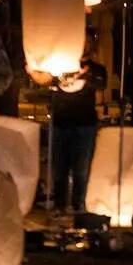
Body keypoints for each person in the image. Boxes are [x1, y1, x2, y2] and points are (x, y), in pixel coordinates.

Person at [49, 61, 106, 212]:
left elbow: (100, 91)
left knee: (81, 168)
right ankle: (59, 205)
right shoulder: (61, 63)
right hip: (61, 122)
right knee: (60, 167)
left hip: (84, 124)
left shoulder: (96, 69)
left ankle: (78, 204)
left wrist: (86, 77)